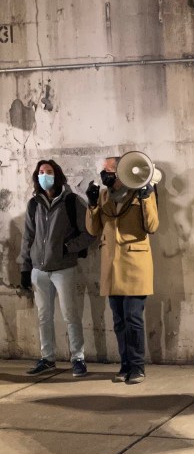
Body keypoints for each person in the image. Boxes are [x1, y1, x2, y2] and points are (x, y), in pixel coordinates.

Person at [85, 156, 159, 384]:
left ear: (122, 172)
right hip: (112, 265)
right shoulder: (104, 195)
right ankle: (125, 364)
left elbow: (152, 226)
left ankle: (137, 366)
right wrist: (92, 204)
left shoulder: (140, 193)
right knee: (118, 320)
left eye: (108, 170)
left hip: (135, 264)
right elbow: (93, 229)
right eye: (103, 170)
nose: (104, 174)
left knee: (133, 318)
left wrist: (146, 198)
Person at [18, 159, 94, 377]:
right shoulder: (34, 204)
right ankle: (47, 358)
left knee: (71, 315)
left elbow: (89, 232)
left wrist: (68, 247)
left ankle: (78, 358)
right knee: (44, 316)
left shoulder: (72, 202)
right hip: (39, 270)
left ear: (57, 175)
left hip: (63, 269)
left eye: (49, 172)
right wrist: (25, 267)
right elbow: (28, 237)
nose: (44, 175)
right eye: (41, 172)